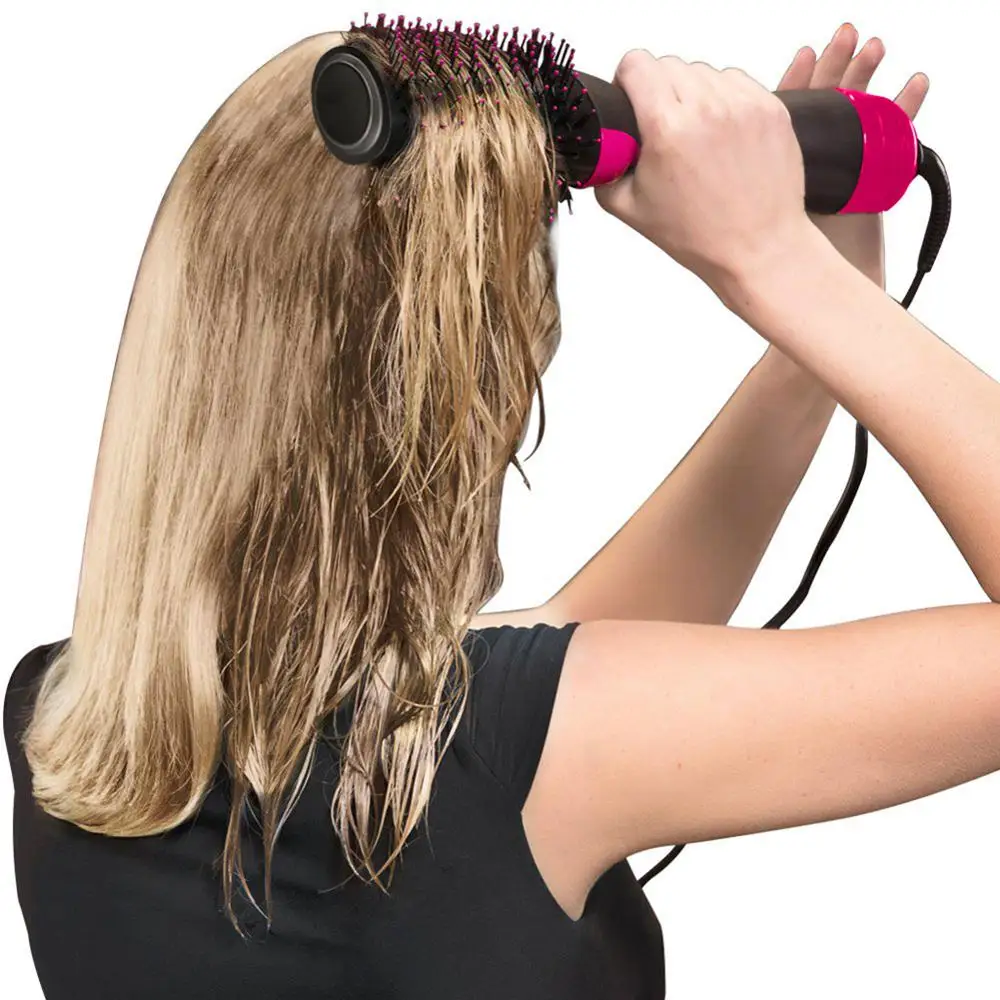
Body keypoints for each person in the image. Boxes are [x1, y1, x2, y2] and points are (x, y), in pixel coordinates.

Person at [5, 20, 991, 1000]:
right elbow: (558, 700)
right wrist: (784, 275)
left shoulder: (58, 719)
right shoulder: (515, 749)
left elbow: (570, 653)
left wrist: (814, 337)